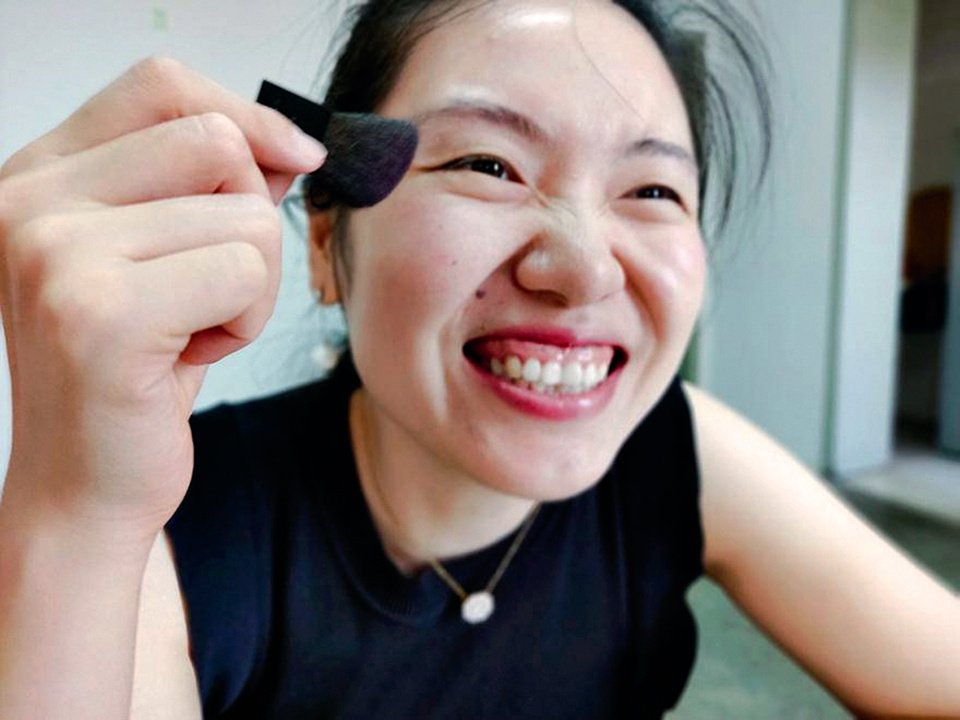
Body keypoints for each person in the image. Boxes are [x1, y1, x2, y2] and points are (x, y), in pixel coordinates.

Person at [0, 0, 958, 717]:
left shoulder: (677, 449)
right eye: (485, 166)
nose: (583, 269)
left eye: (654, 191)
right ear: (329, 247)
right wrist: (73, 501)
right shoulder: (178, 521)